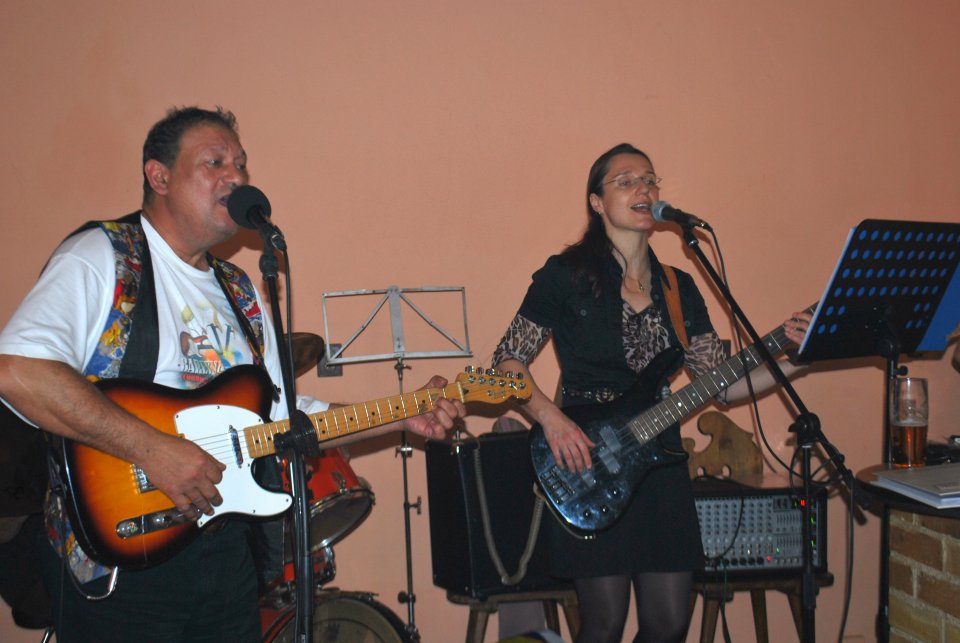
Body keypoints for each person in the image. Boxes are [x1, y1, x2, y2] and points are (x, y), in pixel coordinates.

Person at [0, 106, 466, 643]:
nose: (236, 176)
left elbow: (284, 417)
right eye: (215, 162)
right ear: (159, 176)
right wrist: (152, 450)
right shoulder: (104, 256)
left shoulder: (240, 290)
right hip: (119, 557)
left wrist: (403, 416)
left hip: (225, 554)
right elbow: (18, 371)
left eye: (241, 165)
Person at [492, 143, 811, 643]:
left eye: (649, 179)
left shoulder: (678, 287)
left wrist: (796, 358)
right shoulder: (566, 276)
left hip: (660, 463)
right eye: (626, 181)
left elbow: (725, 385)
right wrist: (551, 419)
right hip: (587, 459)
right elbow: (507, 359)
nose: (643, 187)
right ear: (597, 202)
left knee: (669, 625)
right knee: (604, 625)